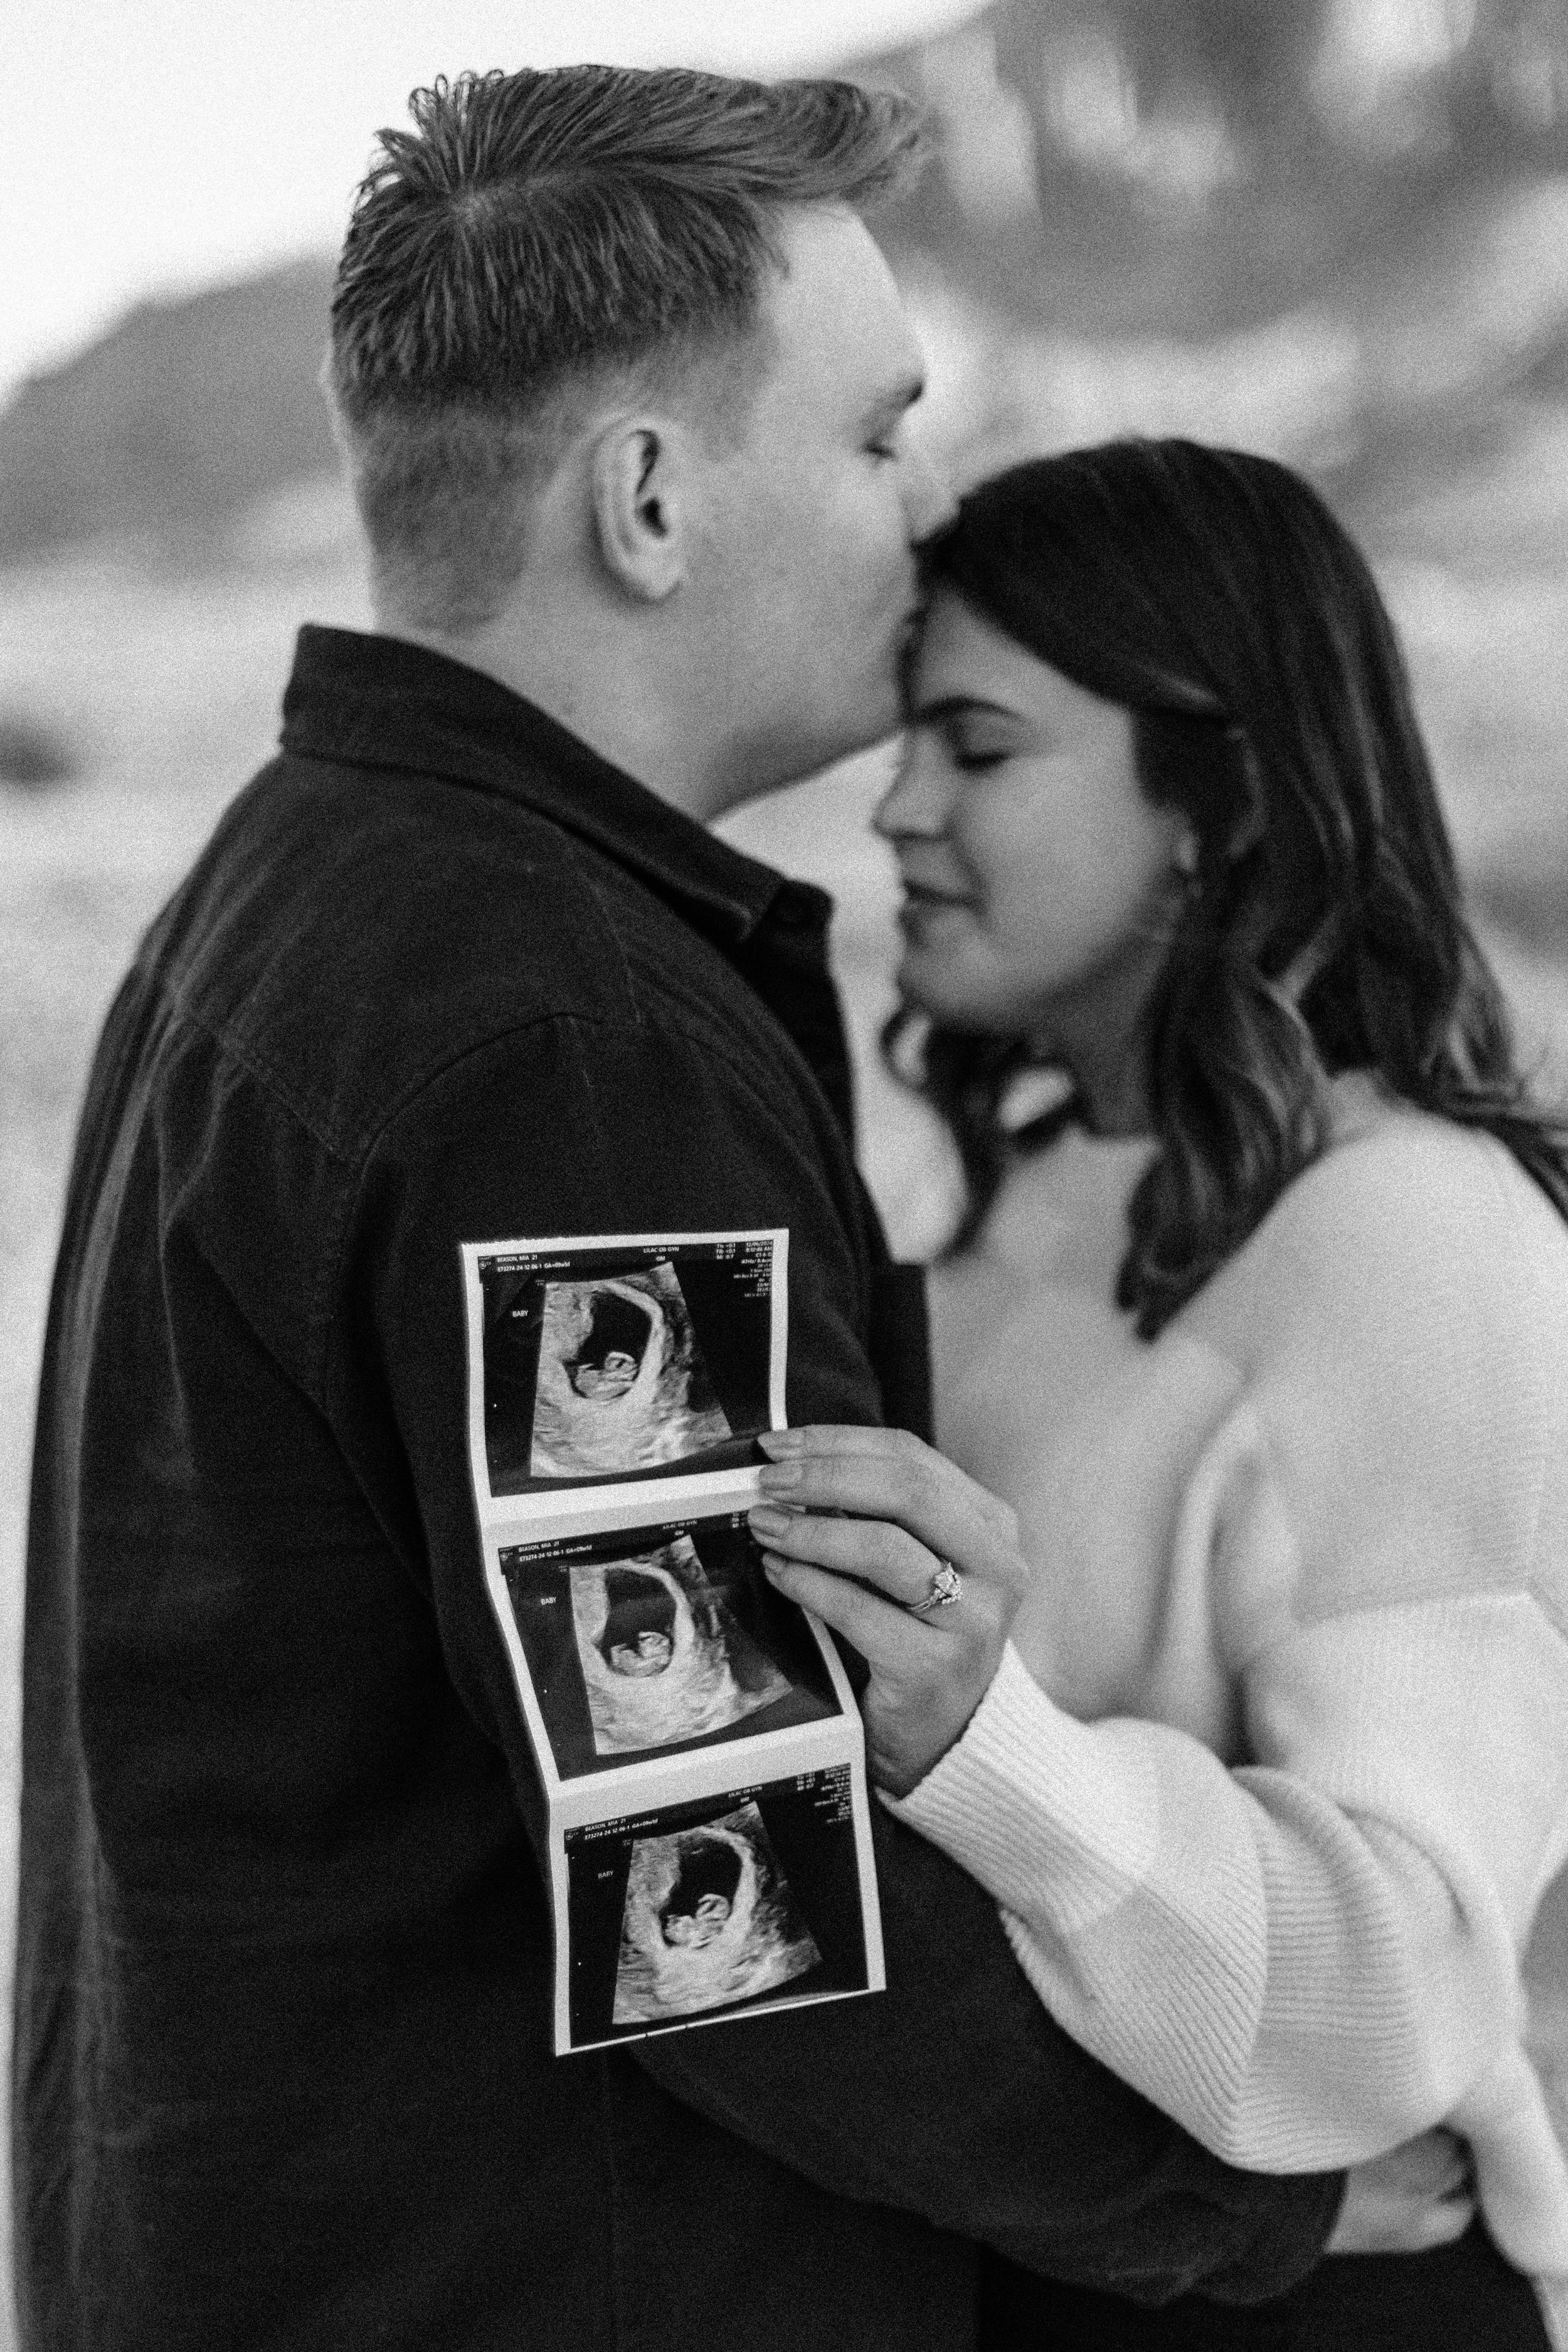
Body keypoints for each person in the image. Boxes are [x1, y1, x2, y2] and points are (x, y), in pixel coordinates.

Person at [12, 78, 1346, 2352]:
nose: (929, 523)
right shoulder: (558, 1043)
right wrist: (1256, 2211)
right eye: (872, 440)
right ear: (643, 497)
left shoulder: (291, 882)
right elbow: (728, 1909)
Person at [749, 439, 1568, 2346]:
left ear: (1208, 796)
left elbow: (1396, 1983)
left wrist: (986, 1742)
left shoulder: (1420, 1243)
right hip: (1091, 2260)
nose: (892, 808)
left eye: (977, 745)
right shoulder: (1024, 1194)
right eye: (902, 739)